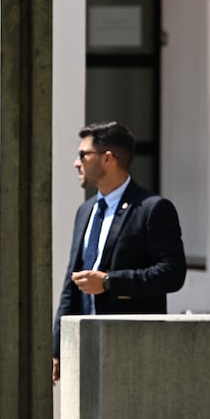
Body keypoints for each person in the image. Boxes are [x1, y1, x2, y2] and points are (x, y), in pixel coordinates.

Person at [53, 121, 187, 384]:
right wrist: (57, 347)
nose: (76, 163)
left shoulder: (153, 208)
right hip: (83, 347)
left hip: (130, 348)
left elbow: (172, 274)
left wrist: (108, 282)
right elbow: (72, 283)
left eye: (83, 155)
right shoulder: (86, 211)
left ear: (107, 159)